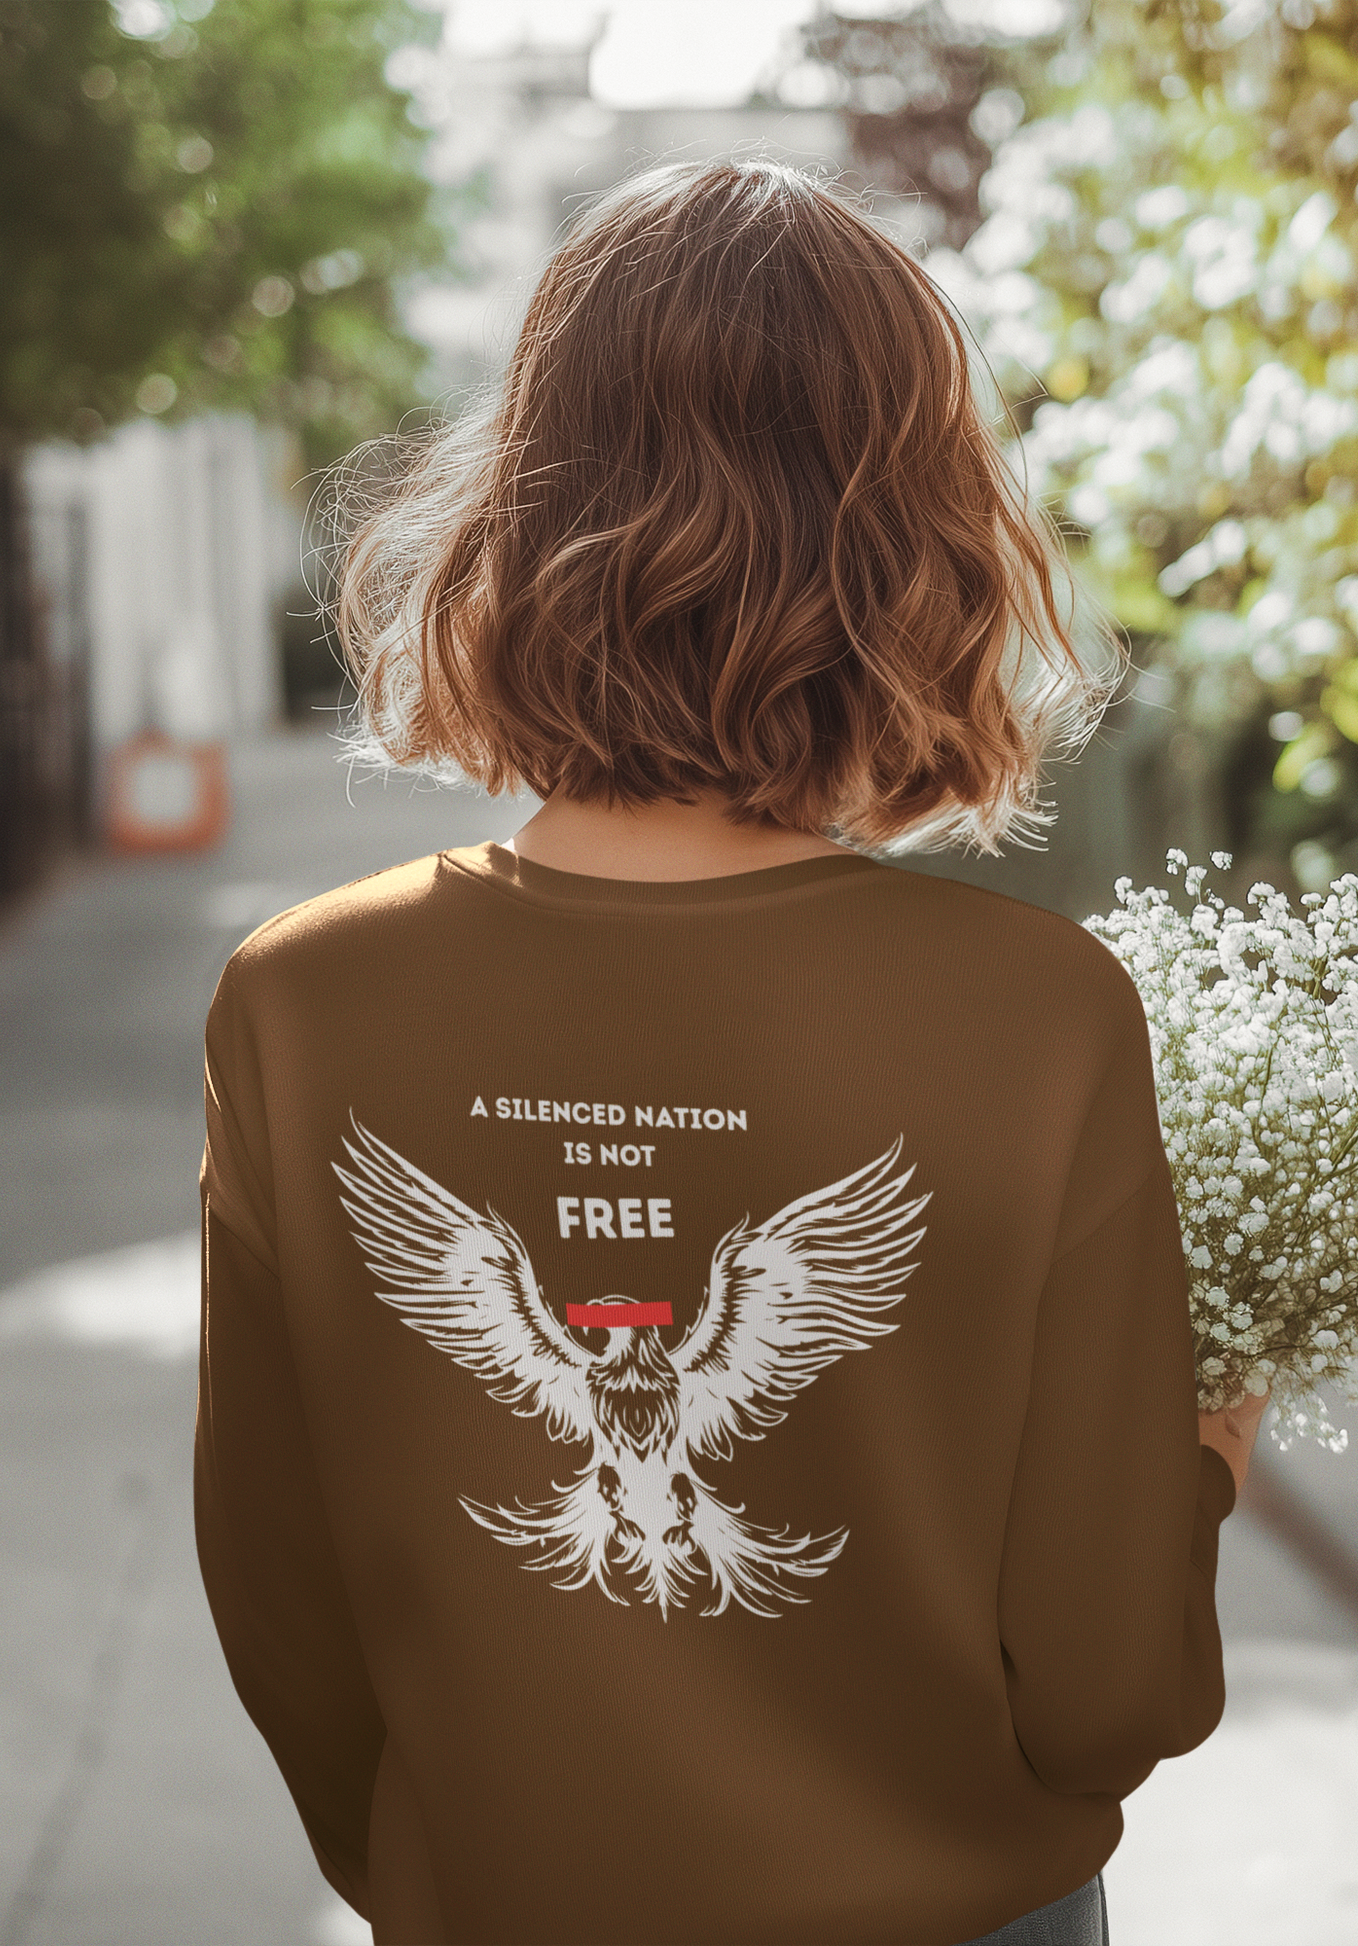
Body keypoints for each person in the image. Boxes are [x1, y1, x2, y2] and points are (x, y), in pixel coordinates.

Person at [195, 159, 1263, 1946]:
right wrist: (1211, 1454)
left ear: (516, 514)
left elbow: (283, 1596)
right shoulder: (1037, 1013)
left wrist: (433, 1875)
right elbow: (1101, 1692)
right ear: (923, 544)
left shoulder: (299, 1005)